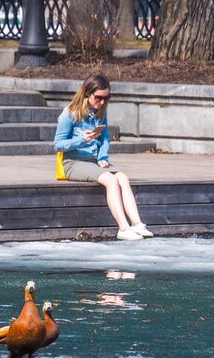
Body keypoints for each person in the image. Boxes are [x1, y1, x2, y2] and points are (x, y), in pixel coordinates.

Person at [53, 73, 154, 241]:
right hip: (73, 162)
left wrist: (103, 157)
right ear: (87, 93)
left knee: (122, 177)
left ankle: (137, 224)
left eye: (106, 98)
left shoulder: (100, 112)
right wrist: (81, 139)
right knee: (111, 180)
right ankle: (123, 227)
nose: (102, 102)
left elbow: (104, 138)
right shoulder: (70, 113)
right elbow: (57, 144)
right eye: (98, 98)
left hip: (93, 161)